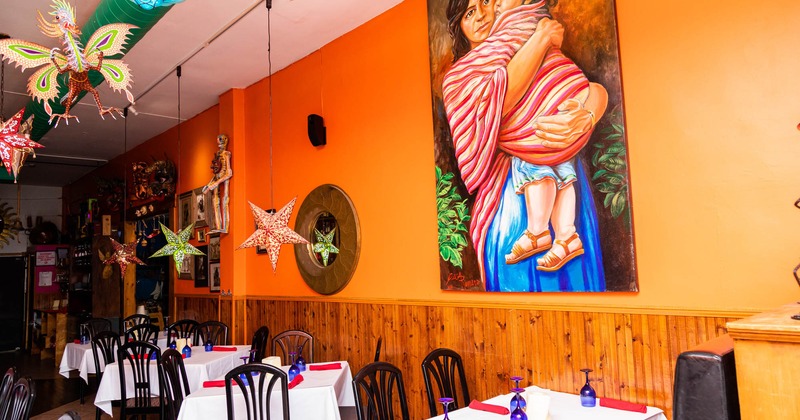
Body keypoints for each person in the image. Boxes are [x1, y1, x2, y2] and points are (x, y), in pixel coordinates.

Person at [442, 0, 607, 291]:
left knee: (582, 284)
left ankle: (565, 236)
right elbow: (499, 98)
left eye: (485, 2)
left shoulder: (521, 38)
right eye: (469, 13)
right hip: (509, 199)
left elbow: (572, 85)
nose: (481, 14)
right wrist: (541, 37)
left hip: (566, 174)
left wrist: (589, 111)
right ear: (459, 27)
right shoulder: (459, 77)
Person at [203, 134, 233, 233]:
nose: (219, 143)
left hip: (224, 179)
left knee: (225, 201)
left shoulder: (226, 154)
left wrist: (215, 184)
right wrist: (209, 184)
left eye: (221, 141)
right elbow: (216, 172)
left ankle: (225, 227)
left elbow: (229, 173)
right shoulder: (218, 155)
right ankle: (218, 225)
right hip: (217, 179)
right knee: (215, 201)